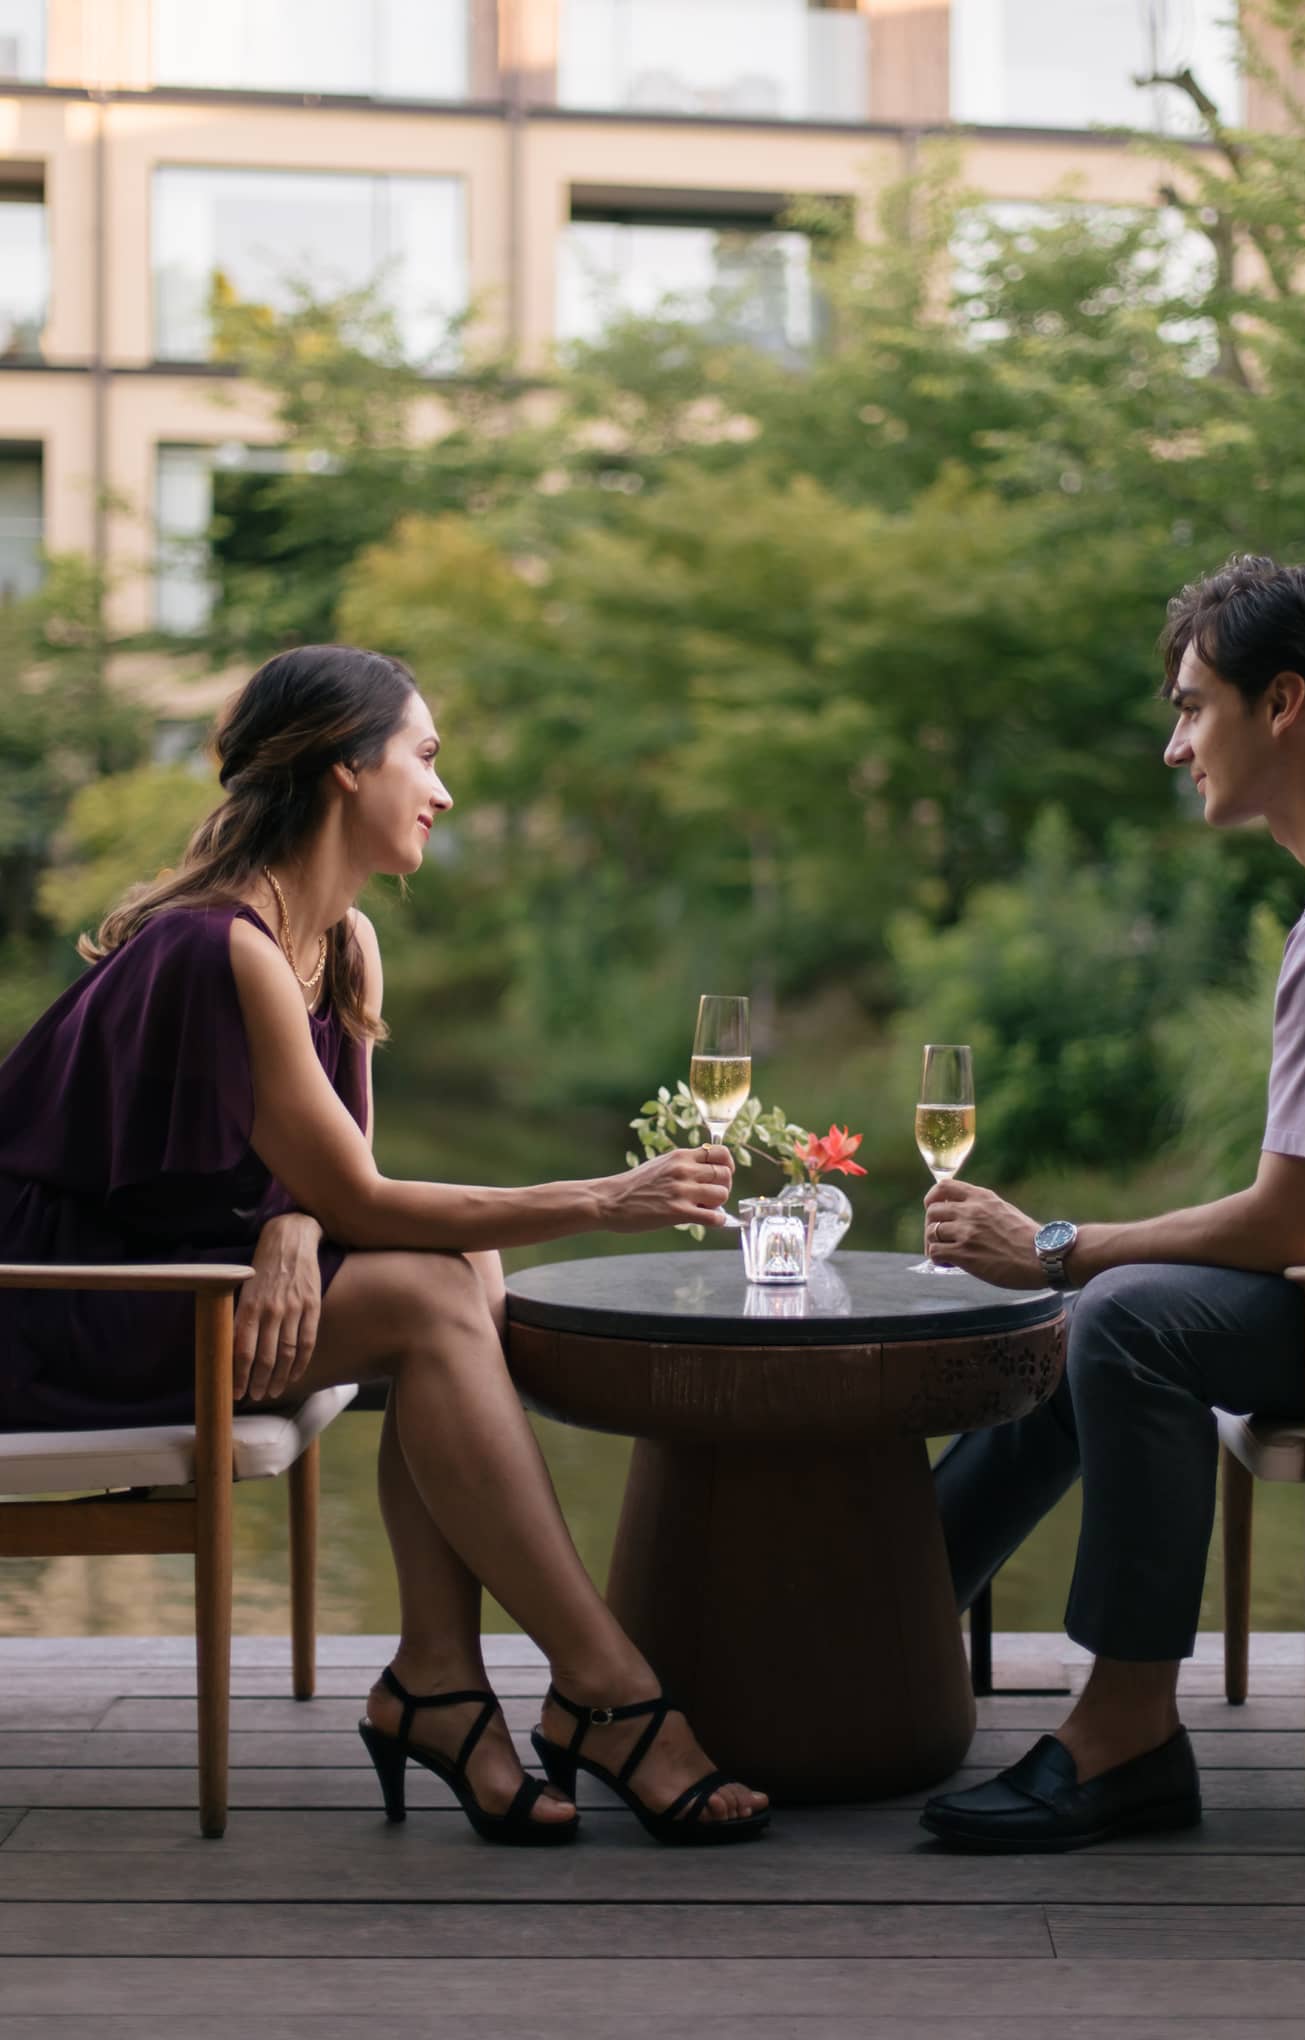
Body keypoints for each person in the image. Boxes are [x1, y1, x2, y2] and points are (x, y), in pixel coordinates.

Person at [0, 644, 769, 1848]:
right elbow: (366, 1197)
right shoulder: (218, 946)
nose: (442, 791)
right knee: (425, 1296)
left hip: (188, 1280)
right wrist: (603, 1196)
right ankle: (603, 1685)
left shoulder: (341, 940)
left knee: (460, 1269)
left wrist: (295, 1222)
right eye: (425, 755)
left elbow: (333, 1178)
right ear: (347, 768)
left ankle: (441, 1683)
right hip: (62, 1304)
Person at [919, 556, 1305, 1854]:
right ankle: (886, 1623)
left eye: (1193, 707)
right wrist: (1073, 1269)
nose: (1173, 744)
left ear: (1283, 703)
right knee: (1099, 1314)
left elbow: (1286, 1229)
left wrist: (1055, 1246)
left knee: (1128, 1317)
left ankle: (1124, 1734)